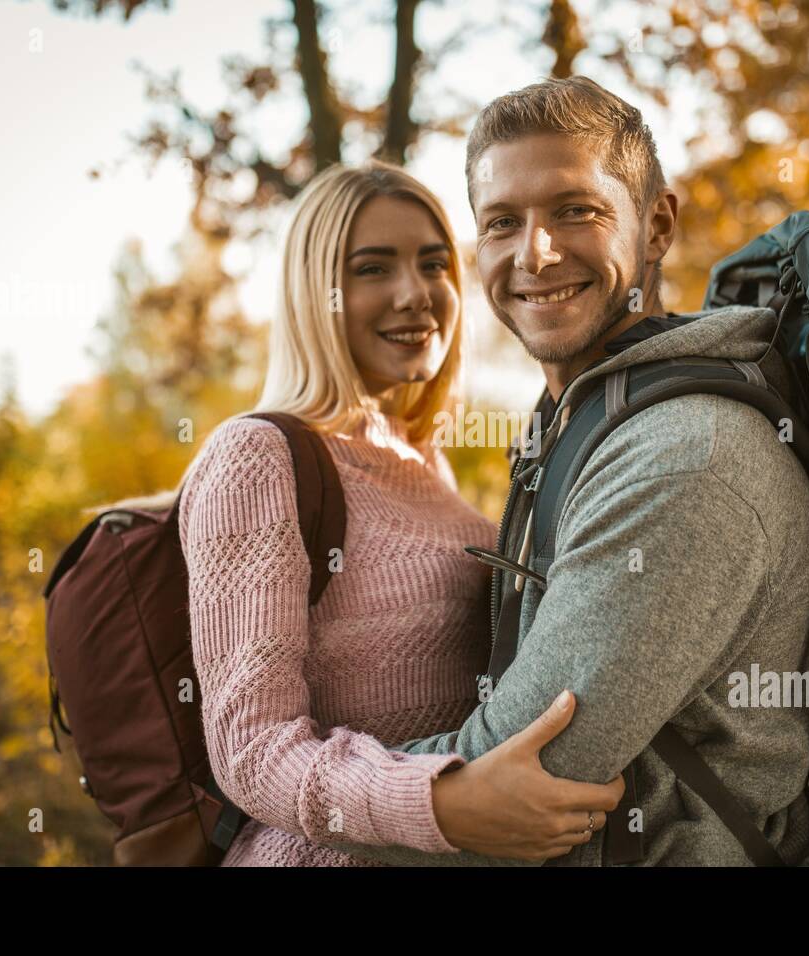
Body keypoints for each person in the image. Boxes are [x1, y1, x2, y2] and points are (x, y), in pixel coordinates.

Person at [326, 76, 809, 867]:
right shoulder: (584, 418)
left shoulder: (685, 461)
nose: (536, 253)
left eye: (575, 210)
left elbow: (511, 778)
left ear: (656, 223)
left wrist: (288, 786)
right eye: (501, 223)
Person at [176, 161, 624, 866]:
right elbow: (253, 751)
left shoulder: (424, 461)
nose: (416, 294)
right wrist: (444, 803)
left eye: (434, 264)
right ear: (313, 294)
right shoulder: (257, 456)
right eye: (372, 269)